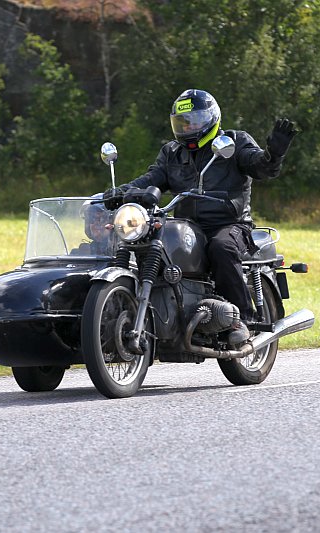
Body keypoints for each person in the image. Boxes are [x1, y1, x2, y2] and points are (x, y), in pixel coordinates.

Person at [107, 89, 297, 346]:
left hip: (230, 224)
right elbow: (150, 179)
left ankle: (242, 319)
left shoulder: (234, 142)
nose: (188, 127)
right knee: (145, 244)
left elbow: (261, 167)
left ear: (211, 118)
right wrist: (120, 193)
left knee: (221, 246)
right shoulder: (172, 153)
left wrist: (273, 155)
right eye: (183, 122)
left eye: (194, 121)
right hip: (186, 227)